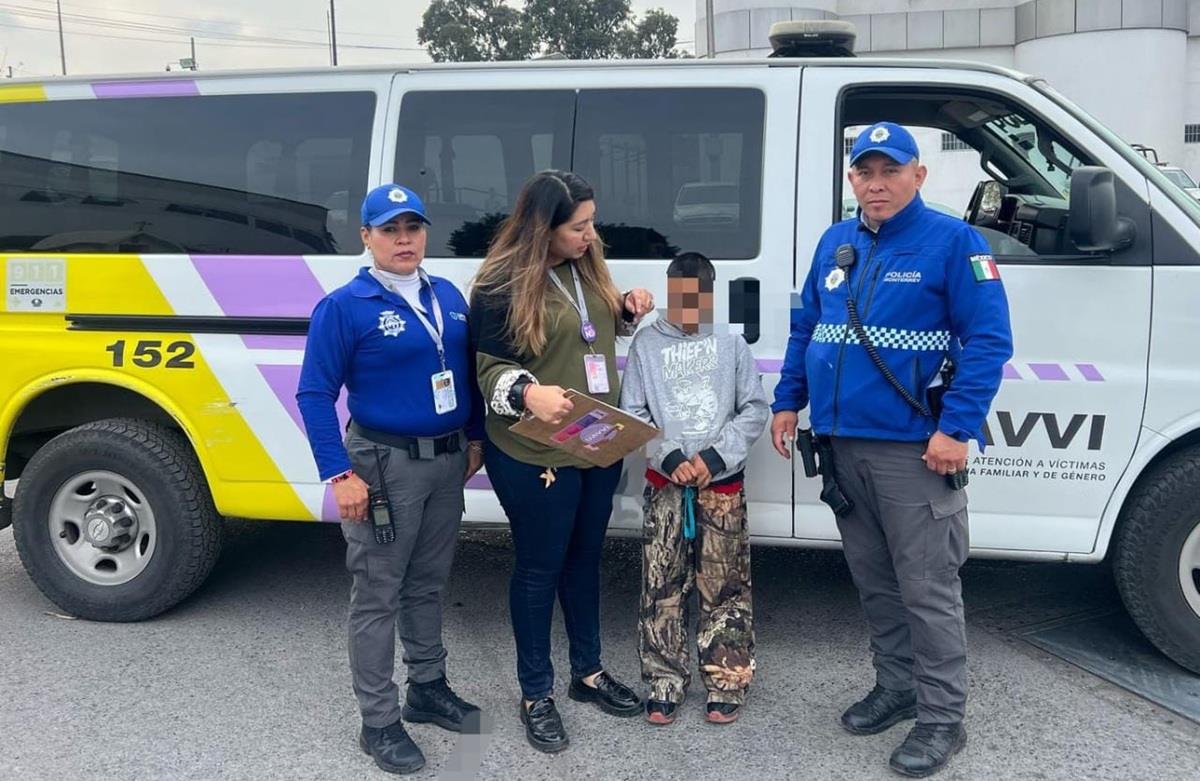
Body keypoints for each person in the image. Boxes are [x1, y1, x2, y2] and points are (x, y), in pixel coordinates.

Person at [770, 123, 1013, 777]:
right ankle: (897, 685)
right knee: (876, 582)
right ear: (852, 179)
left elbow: (988, 341)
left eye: (889, 171)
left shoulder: (955, 244)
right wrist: (788, 399)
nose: (875, 184)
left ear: (918, 176)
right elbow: (807, 325)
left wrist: (956, 428)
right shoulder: (834, 241)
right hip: (843, 445)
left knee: (928, 587)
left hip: (916, 450)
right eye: (864, 172)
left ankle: (941, 718)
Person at [297, 183, 485, 775]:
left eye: (413, 228)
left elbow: (467, 371)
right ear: (366, 237)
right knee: (377, 594)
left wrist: (475, 435)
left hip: (446, 462)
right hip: (382, 465)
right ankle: (378, 721)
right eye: (389, 230)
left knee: (428, 581)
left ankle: (427, 687)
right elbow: (314, 394)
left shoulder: (448, 295)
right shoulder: (345, 306)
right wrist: (338, 473)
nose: (404, 240)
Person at [468, 170, 655, 753]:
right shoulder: (500, 284)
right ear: (542, 228)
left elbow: (588, 333)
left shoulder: (584, 268)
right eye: (579, 226)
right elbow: (488, 371)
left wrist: (625, 310)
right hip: (533, 450)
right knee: (539, 568)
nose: (592, 234)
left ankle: (588, 673)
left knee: (584, 559)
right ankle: (535, 692)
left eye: (592, 221)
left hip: (595, 441)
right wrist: (526, 392)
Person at [620, 251, 769, 726]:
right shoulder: (647, 344)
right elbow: (634, 411)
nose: (686, 312)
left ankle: (725, 680)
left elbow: (753, 409)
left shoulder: (730, 343)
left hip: (720, 487)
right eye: (677, 300)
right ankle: (664, 679)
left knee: (723, 588)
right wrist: (669, 456)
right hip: (667, 486)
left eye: (695, 301)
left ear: (708, 296)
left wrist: (712, 458)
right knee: (661, 585)